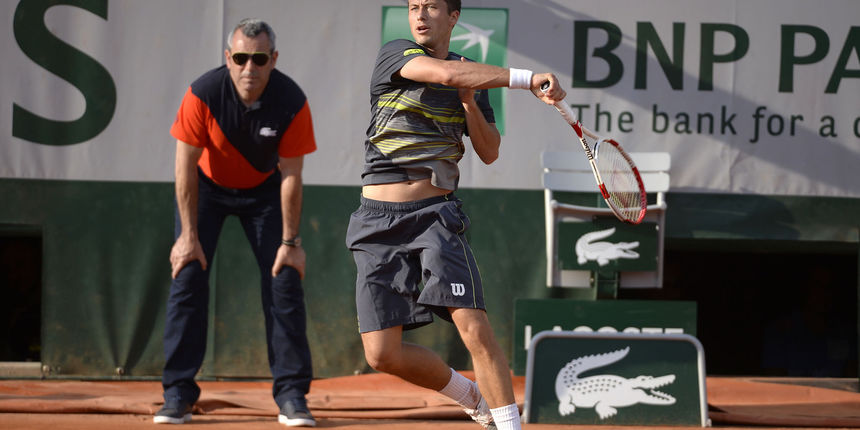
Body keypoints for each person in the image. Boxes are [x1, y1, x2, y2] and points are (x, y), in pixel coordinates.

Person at [345, 1, 566, 429]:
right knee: (381, 354)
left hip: (434, 216)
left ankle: (509, 426)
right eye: (413, 7)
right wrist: (527, 79)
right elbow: (445, 74)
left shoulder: (472, 76)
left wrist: (468, 103)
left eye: (430, 7)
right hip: (376, 221)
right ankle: (469, 396)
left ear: (453, 17)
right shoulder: (396, 52)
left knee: (474, 329)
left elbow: (489, 150)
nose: (420, 15)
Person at [155, 18, 317, 427]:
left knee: (284, 279)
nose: (250, 68)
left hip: (265, 192)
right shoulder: (202, 93)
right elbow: (184, 166)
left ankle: (292, 396)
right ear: (228, 58)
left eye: (259, 58)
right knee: (188, 274)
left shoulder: (291, 100)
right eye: (241, 58)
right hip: (206, 189)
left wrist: (291, 241)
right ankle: (177, 394)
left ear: (273, 60)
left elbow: (292, 175)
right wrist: (188, 237)